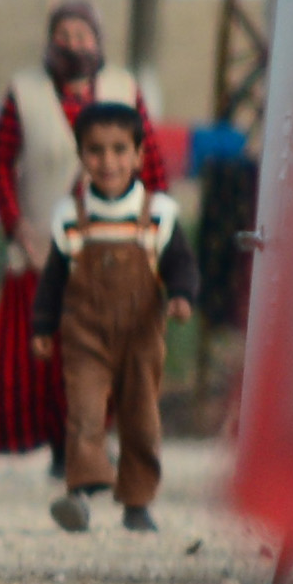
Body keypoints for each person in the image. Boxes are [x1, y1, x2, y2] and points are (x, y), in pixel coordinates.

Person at [0, 0, 157, 466]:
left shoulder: (123, 88)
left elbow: (150, 162)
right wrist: (16, 227)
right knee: (47, 354)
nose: (74, 46)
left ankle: (95, 437)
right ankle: (65, 444)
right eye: (65, 36)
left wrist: (149, 229)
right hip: (42, 245)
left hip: (111, 242)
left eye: (83, 36)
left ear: (99, 41)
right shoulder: (24, 92)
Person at [33, 103, 196, 533]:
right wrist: (42, 325)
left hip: (141, 338)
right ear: (81, 155)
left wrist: (181, 296)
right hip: (85, 335)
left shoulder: (158, 212)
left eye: (120, 150)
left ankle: (138, 501)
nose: (108, 162)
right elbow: (52, 277)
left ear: (139, 154)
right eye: (96, 151)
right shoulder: (71, 215)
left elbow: (180, 263)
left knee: (140, 416)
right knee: (84, 412)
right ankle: (82, 492)